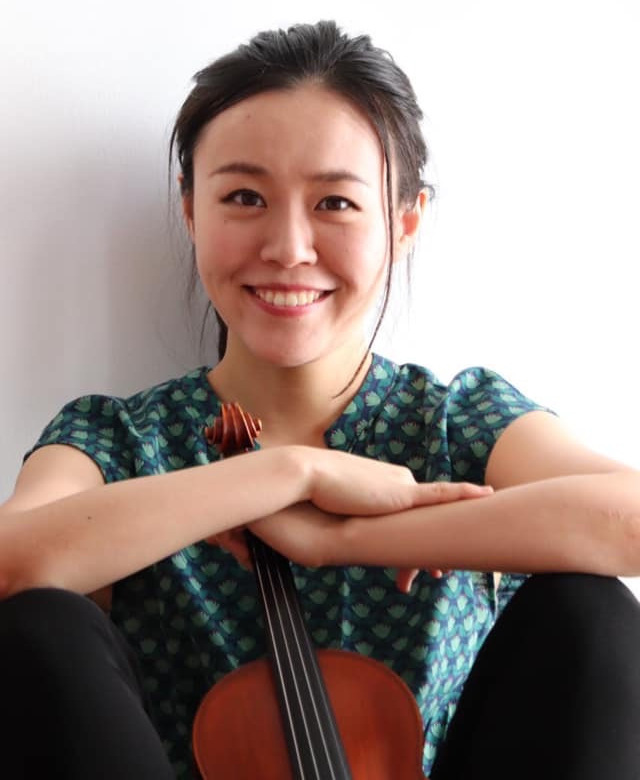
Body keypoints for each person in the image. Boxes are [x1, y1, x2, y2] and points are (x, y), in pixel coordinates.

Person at [1, 19, 639, 780]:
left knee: (591, 609)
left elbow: (628, 520)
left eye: (335, 203)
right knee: (37, 621)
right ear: (191, 210)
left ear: (404, 221)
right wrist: (291, 473)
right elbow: (12, 563)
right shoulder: (116, 437)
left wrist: (339, 540)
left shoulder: (454, 419)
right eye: (244, 196)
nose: (288, 248)